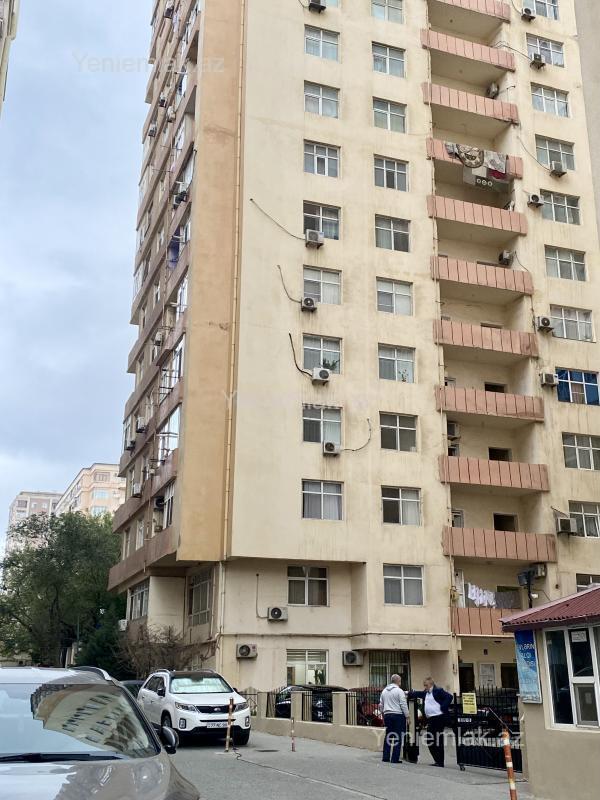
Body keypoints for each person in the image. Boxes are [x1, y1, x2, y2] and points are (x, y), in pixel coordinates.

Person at [408, 677, 453, 768]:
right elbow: (418, 693)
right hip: (431, 719)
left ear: (431, 685)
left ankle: (440, 762)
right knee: (430, 740)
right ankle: (437, 760)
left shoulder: (438, 691)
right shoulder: (426, 693)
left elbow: (449, 697)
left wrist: (443, 707)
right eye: (424, 685)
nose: (425, 687)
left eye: (426, 685)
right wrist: (409, 693)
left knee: (437, 739)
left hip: (438, 718)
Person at [379, 674, 409, 764]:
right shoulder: (399, 691)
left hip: (387, 715)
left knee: (388, 736)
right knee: (398, 737)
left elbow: (381, 705)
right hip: (398, 716)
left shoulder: (384, 691)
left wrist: (383, 714)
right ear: (398, 681)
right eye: (400, 681)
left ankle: (385, 757)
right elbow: (403, 704)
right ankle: (394, 759)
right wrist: (407, 716)